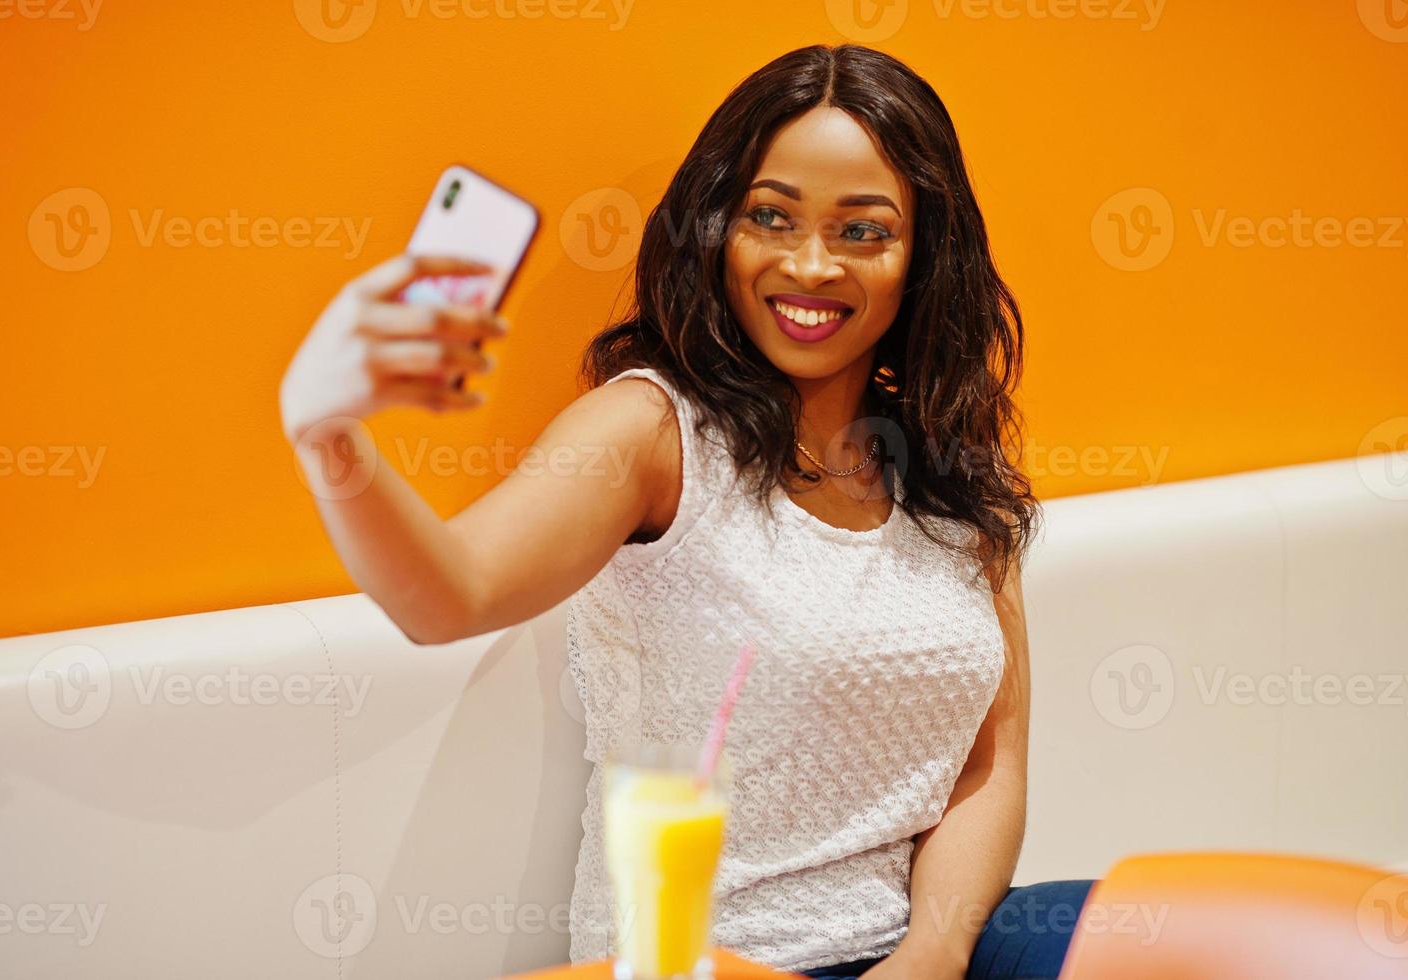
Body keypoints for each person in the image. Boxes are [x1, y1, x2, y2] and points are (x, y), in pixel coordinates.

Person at [280, 42, 1095, 980]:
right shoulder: (651, 432)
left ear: (922, 255)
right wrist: (327, 431)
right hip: (703, 960)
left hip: (929, 951)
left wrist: (934, 951)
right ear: (716, 229)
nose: (810, 263)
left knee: (1189, 935)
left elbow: (989, 763)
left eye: (863, 231)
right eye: (769, 217)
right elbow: (447, 597)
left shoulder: (952, 475)